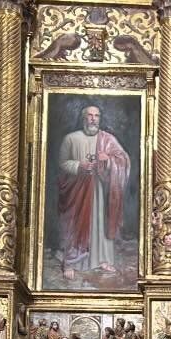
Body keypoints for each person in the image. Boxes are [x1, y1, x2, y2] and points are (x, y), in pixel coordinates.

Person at [57, 104, 131, 280]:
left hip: (102, 190)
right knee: (76, 224)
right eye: (89, 115)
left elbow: (123, 159)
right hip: (78, 191)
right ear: (83, 118)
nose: (93, 119)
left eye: (96, 116)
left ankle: (103, 259)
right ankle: (73, 262)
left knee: (100, 222)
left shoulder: (108, 139)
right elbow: (62, 163)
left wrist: (109, 160)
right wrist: (79, 166)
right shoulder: (71, 139)